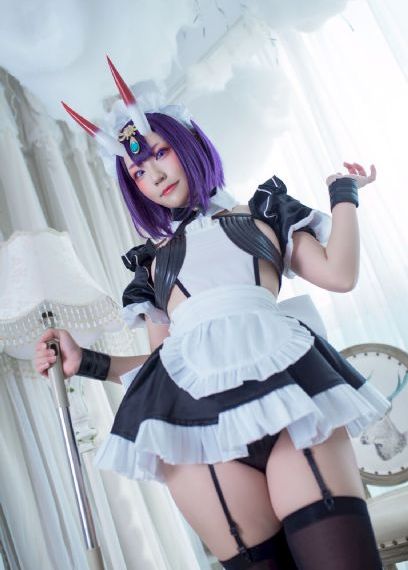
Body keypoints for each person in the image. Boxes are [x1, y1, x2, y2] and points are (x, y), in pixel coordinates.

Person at [35, 58, 389, 569]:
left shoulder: (266, 213)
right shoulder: (150, 265)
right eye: (138, 171)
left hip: (291, 407)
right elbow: (164, 364)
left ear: (189, 144)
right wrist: (86, 362)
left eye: (160, 153)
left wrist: (344, 194)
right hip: (203, 443)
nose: (154, 175)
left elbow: (339, 274)